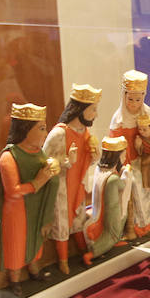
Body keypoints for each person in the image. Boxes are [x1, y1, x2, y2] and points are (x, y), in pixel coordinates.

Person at [0, 103, 60, 296]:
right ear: (26, 131)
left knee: (35, 237)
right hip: (17, 210)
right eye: (41, 128)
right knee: (17, 242)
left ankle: (34, 269)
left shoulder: (39, 153)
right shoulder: (9, 157)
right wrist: (38, 182)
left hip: (36, 206)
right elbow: (12, 191)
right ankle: (15, 280)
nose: (46, 132)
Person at [43, 83, 101, 274]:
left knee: (77, 218)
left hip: (77, 184)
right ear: (81, 110)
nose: (95, 115)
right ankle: (63, 261)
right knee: (62, 221)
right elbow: (44, 161)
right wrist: (67, 161)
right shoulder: (59, 133)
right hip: (61, 186)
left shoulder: (84, 132)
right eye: (93, 110)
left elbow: (86, 162)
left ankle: (81, 251)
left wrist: (93, 157)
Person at [82, 136, 133, 266]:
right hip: (113, 210)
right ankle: (92, 253)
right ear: (118, 156)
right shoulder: (113, 179)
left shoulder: (101, 169)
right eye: (123, 153)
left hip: (106, 207)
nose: (125, 156)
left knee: (116, 231)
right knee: (112, 234)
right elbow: (123, 186)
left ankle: (114, 242)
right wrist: (126, 173)